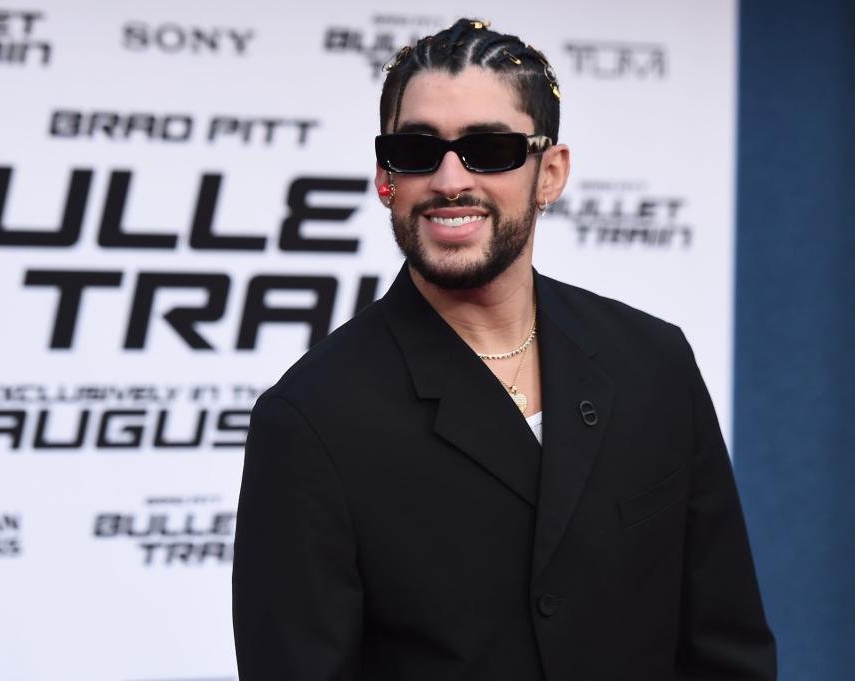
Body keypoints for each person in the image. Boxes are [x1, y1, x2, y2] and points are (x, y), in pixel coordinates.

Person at [232, 18, 776, 681]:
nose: (449, 178)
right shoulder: (311, 420)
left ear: (550, 173)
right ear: (385, 177)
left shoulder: (654, 362)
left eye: (489, 149)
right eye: (416, 149)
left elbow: (728, 650)